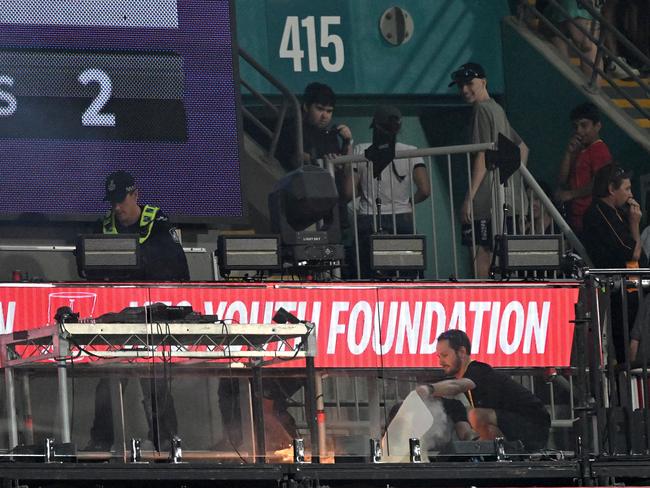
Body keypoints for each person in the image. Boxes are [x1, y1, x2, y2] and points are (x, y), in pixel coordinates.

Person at [86, 170, 189, 451]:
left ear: (135, 195)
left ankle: (166, 440)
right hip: (116, 319)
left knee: (154, 377)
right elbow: (89, 272)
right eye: (112, 201)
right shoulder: (102, 225)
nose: (117, 207)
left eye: (121, 200)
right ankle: (99, 444)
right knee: (108, 378)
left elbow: (179, 270)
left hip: (152, 317)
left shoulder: (158, 222)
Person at [451, 62, 529, 278]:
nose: (464, 89)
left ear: (483, 82)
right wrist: (511, 180)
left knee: (481, 257)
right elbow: (523, 148)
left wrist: (470, 197)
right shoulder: (497, 109)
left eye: (469, 83)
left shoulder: (482, 109)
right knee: (505, 259)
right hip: (506, 198)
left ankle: (484, 305)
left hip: (486, 200)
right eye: (460, 85)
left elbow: (482, 155)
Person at [416, 329, 550, 452]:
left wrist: (429, 389)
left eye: (444, 355)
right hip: (521, 426)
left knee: (476, 415)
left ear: (462, 352)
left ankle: (511, 451)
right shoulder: (473, 375)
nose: (441, 362)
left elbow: (456, 386)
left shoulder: (477, 369)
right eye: (439, 357)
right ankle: (505, 454)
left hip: (533, 425)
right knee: (482, 427)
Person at [344, 105, 431, 278]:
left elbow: (348, 191)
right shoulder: (411, 151)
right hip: (402, 218)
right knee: (407, 275)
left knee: (367, 275)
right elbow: (425, 190)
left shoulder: (361, 150)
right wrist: (408, 202)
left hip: (368, 218)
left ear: (375, 126)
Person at [582, 164, 644, 363]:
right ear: (611, 189)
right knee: (626, 354)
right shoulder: (600, 212)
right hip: (619, 294)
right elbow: (632, 254)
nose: (630, 194)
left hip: (632, 289)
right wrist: (635, 224)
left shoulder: (617, 212)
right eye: (626, 189)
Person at [277, 82, 354, 228]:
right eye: (319, 109)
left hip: (335, 207)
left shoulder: (331, 134)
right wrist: (319, 161)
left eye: (329, 111)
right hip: (309, 207)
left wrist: (348, 143)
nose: (324, 115)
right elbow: (295, 159)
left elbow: (345, 171)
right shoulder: (293, 131)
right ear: (306, 107)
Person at [555, 102, 612, 235]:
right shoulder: (580, 150)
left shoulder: (600, 150)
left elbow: (600, 183)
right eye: (576, 126)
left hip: (591, 220)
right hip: (576, 219)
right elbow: (562, 181)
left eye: (584, 125)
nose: (579, 131)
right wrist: (569, 153)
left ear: (597, 126)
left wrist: (571, 194)